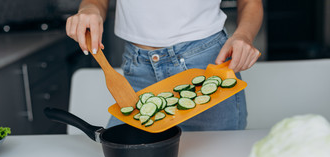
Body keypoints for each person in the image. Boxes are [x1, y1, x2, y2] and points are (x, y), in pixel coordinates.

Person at [66, 0, 263, 131]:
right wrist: (89, 9)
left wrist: (244, 35)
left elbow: (250, 3)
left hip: (204, 67)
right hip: (137, 69)